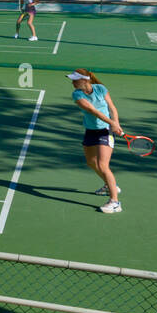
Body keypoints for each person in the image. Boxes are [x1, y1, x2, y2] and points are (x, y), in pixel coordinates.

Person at [67, 70, 123, 214]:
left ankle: (115, 202)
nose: (72, 82)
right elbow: (93, 111)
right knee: (91, 162)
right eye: (72, 80)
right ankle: (110, 185)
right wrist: (112, 122)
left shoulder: (101, 89)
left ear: (85, 80)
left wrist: (115, 123)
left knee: (103, 165)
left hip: (105, 131)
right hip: (91, 130)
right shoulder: (77, 95)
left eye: (75, 80)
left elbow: (112, 107)